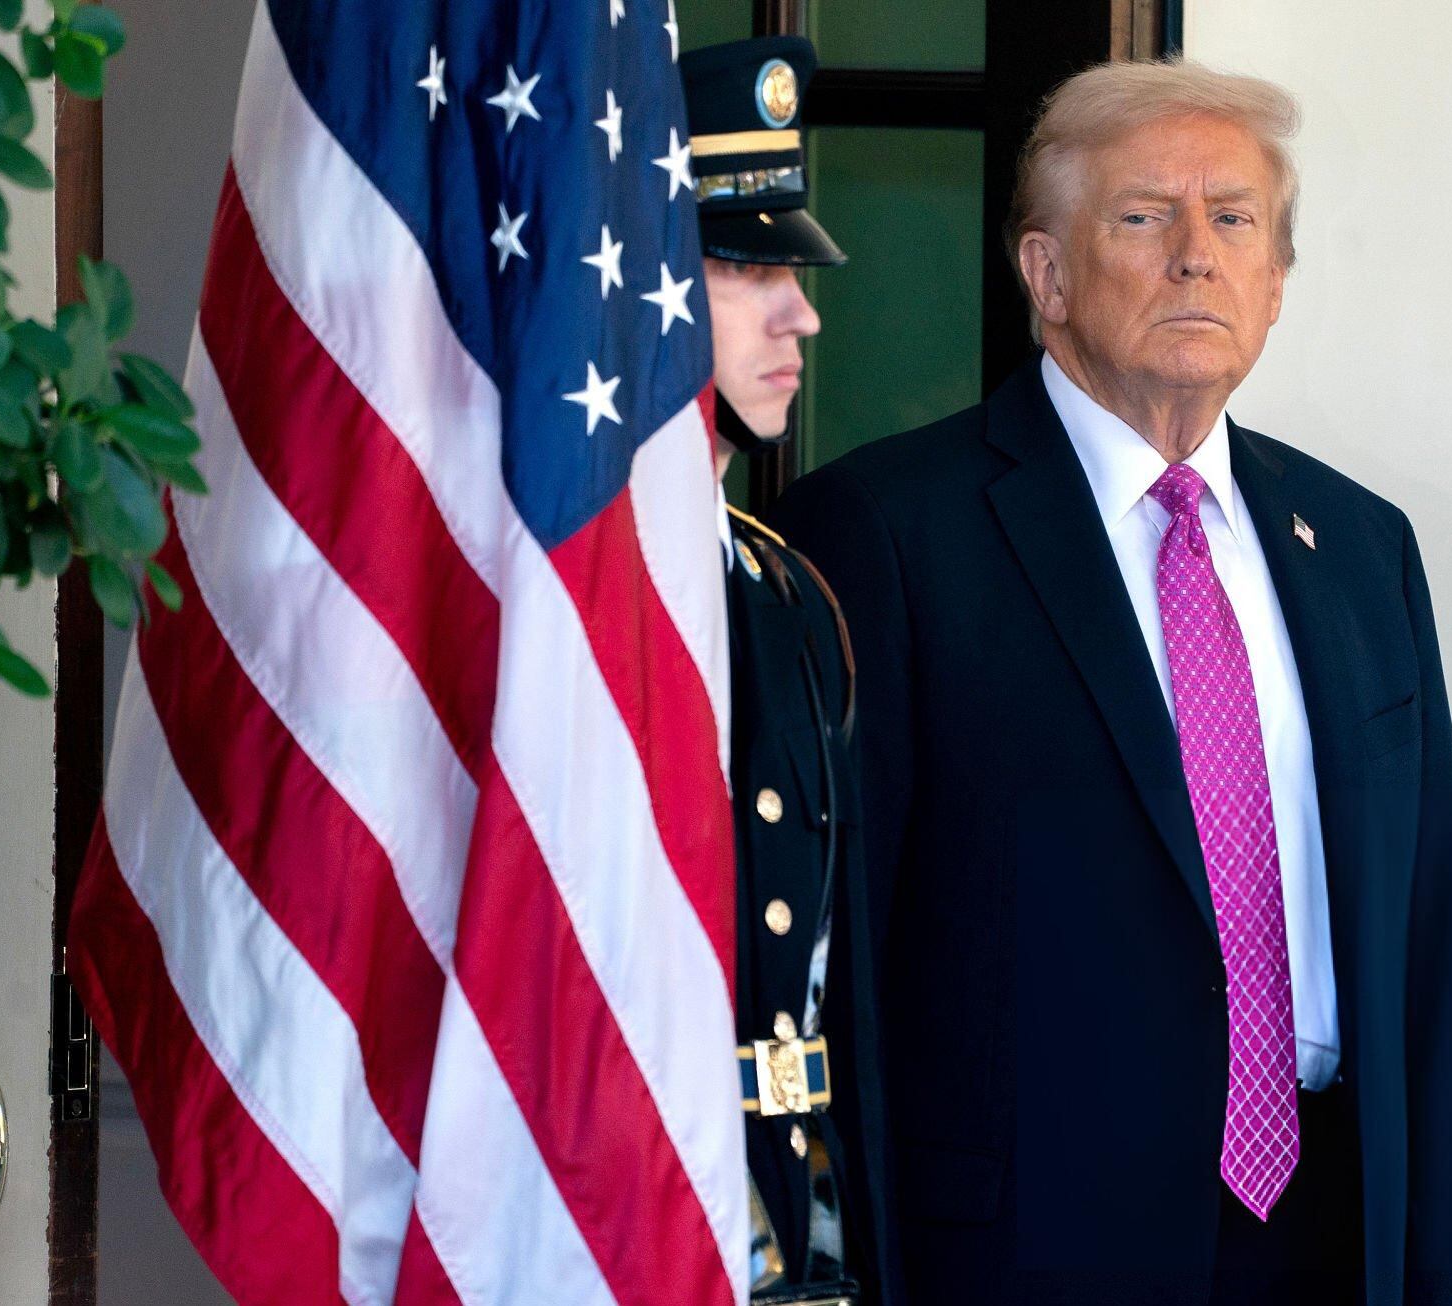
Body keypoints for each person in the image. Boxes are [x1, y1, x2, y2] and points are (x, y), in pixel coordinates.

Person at [769, 56, 1452, 1305]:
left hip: (1325, 1237)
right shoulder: (883, 532)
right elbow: (841, 986)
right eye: (1144, 216)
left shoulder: (1364, 548)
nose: (1196, 254)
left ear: (1275, 283)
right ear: (1044, 271)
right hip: (1022, 1249)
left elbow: (1424, 972)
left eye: (1234, 219)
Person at [682, 36, 894, 1306]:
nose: (799, 310)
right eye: (746, 267)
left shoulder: (788, 589)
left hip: (789, 1217)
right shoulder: (574, 615)